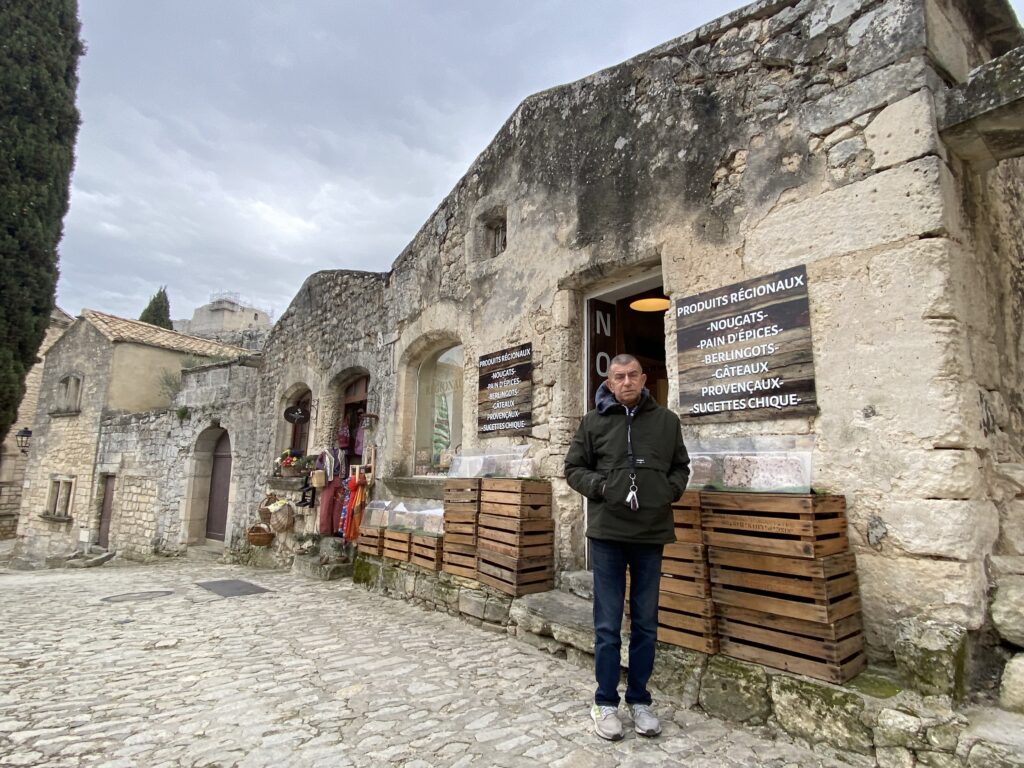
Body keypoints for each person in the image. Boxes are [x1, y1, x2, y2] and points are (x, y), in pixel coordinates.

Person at [565, 354, 690, 741]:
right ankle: (605, 702)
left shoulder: (667, 421)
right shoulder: (592, 422)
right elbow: (573, 469)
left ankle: (639, 700)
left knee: (646, 624)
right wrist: (603, 488)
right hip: (607, 535)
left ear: (644, 378)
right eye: (618, 376)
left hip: (651, 534)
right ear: (609, 381)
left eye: (633, 375)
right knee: (606, 626)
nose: (626, 382)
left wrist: (664, 492)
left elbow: (680, 468)